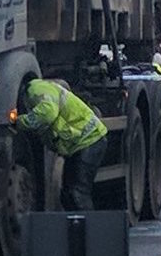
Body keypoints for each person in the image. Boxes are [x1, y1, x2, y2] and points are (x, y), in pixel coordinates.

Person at [17, 79, 109, 210]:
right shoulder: (38, 92)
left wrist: (20, 122)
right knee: (67, 196)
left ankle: (89, 228)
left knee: (78, 194)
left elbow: (47, 114)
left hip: (91, 141)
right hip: (80, 146)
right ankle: (75, 228)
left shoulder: (35, 90)